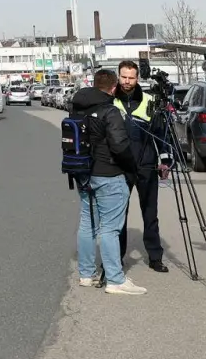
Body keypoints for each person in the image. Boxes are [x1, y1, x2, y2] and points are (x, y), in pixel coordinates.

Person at [70, 68, 145, 295]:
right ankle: (115, 279)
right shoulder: (109, 111)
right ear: (113, 88)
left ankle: (86, 274)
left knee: (88, 225)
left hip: (83, 173)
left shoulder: (77, 108)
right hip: (109, 174)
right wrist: (132, 167)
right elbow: (120, 145)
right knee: (111, 228)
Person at [114, 61, 169, 274]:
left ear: (138, 79)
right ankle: (116, 258)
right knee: (118, 215)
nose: (127, 81)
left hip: (146, 164)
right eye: (124, 77)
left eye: (131, 77)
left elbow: (161, 134)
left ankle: (155, 257)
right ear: (118, 76)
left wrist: (165, 160)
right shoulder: (111, 100)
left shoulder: (149, 101)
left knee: (150, 213)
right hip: (119, 167)